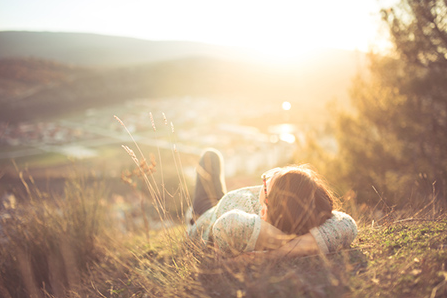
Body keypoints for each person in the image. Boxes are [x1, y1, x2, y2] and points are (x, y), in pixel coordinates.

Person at [186, 148, 357, 259]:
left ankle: (191, 219)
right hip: (220, 205)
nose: (264, 181)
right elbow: (347, 224)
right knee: (212, 157)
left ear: (264, 211)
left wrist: (265, 257)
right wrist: (285, 248)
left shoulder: (240, 223)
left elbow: (228, 223)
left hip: (207, 213)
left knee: (209, 156)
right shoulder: (300, 215)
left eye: (268, 182)